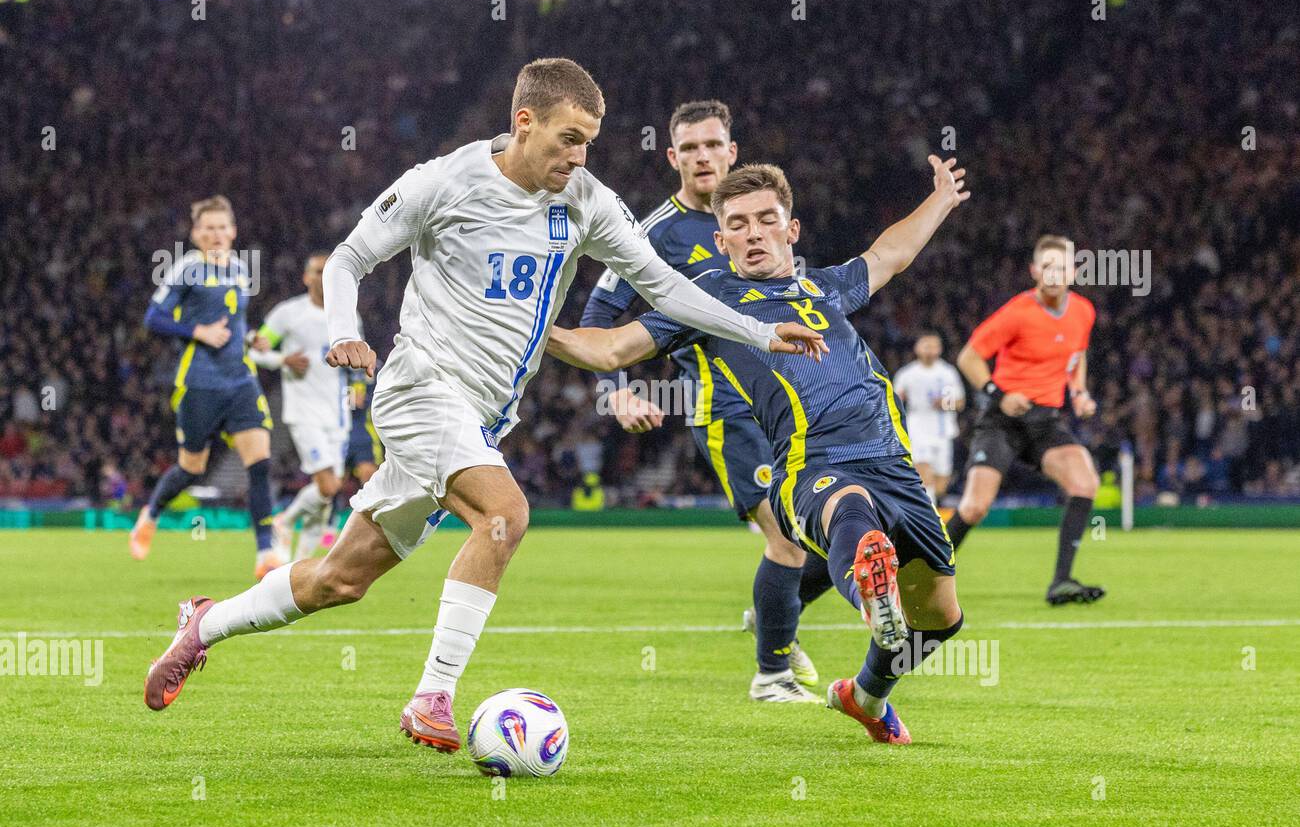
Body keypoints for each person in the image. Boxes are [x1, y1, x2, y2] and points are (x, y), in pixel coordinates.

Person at [143, 59, 826, 754]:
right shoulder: (443, 181)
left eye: (589, 140)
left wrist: (762, 331)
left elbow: (662, 284)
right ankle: (432, 697)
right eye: (568, 138)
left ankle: (203, 624)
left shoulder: (586, 200)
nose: (579, 156)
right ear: (523, 122)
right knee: (505, 515)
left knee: (337, 581)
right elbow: (350, 258)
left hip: (481, 418)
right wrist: (345, 331)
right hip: (419, 388)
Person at [548, 155, 970, 741]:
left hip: (894, 464)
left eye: (766, 219)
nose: (753, 234)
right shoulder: (706, 301)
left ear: (790, 229)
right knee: (849, 513)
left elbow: (889, 255)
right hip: (812, 462)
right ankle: (868, 593)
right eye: (738, 225)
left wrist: (942, 200)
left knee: (941, 618)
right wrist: (530, 325)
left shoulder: (823, 287)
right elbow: (612, 349)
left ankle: (867, 695)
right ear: (721, 241)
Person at [580, 99, 828, 698]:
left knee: (829, 529)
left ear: (732, 151)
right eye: (689, 148)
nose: (702, 157)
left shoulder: (756, 219)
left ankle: (773, 616)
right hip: (724, 407)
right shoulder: (652, 234)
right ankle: (772, 676)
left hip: (789, 402)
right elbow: (599, 313)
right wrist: (615, 392)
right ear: (672, 157)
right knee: (786, 538)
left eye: (713, 145)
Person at [948, 235, 1105, 606]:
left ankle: (1062, 582)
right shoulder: (1018, 311)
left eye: (1061, 267)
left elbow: (1076, 355)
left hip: (1045, 421)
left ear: (1074, 272)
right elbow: (969, 357)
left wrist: (1079, 392)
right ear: (1034, 271)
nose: (1054, 274)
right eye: (1046, 266)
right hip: (1002, 420)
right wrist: (998, 394)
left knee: (1085, 482)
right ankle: (920, 573)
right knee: (974, 507)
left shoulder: (1083, 311)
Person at [132, 195, 280, 578]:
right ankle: (150, 514)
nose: (215, 234)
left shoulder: (239, 269)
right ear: (196, 234)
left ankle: (266, 553)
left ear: (233, 231)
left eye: (221, 227)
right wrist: (196, 331)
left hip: (240, 381)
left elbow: (230, 324)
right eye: (207, 228)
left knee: (260, 463)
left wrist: (250, 340)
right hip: (199, 383)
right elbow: (154, 318)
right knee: (191, 467)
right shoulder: (187, 268)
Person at [248, 252, 357, 561]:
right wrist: (283, 359)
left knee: (326, 497)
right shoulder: (289, 313)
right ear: (306, 277)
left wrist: (359, 386)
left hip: (337, 415)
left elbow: (355, 361)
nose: (323, 277)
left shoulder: (347, 314)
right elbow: (257, 350)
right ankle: (284, 520)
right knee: (328, 484)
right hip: (303, 411)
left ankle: (302, 566)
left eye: (328, 271)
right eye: (317, 271)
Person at [892, 332, 965, 502]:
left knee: (941, 482)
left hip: (943, 431)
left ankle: (931, 506)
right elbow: (894, 402)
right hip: (918, 428)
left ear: (940, 349)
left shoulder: (947, 373)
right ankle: (930, 518)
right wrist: (900, 401)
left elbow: (960, 403)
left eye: (934, 346)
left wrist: (944, 403)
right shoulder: (907, 374)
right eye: (926, 346)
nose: (930, 350)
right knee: (924, 473)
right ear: (917, 348)